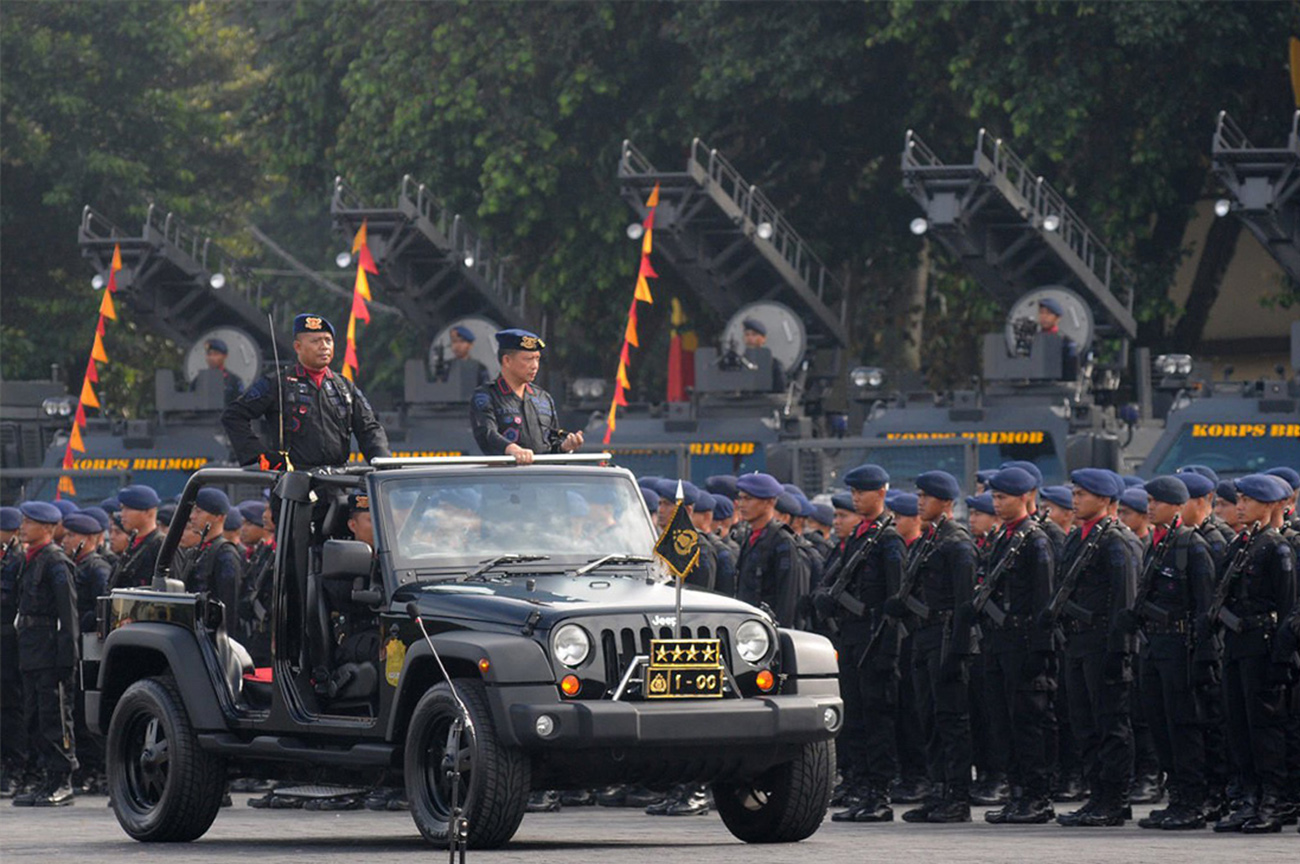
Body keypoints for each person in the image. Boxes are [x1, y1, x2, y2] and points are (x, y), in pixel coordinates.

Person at [1120, 476, 1217, 830]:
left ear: (1178, 506)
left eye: (1157, 501)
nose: (1150, 507)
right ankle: (1177, 795)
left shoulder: (1191, 547)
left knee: (1182, 725)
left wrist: (1203, 656)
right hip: (1155, 647)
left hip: (1180, 647)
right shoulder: (1158, 545)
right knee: (1159, 724)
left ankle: (1192, 801)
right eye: (1149, 500)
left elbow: (1206, 606)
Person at [1047, 469, 1136, 827]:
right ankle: (1096, 794)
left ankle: (1114, 799)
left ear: (1105, 500)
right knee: (1084, 724)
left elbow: (1125, 600)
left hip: (1103, 643)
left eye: (1083, 494)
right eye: (1076, 492)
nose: (1076, 498)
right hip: (1078, 641)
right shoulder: (1078, 538)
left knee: (1109, 723)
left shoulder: (1116, 541)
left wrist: (1121, 651)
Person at [1211, 474, 1296, 834]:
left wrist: (1281, 657)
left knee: (1265, 730)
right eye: (1240, 499)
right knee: (1239, 726)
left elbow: (1290, 607)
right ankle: (1250, 797)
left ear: (1273, 505)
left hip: (1262, 648)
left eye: (1248, 500)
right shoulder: (1243, 544)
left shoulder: (1278, 548)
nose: (1240, 505)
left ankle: (1272, 802)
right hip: (1237, 646)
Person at [821, 464, 905, 824]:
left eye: (862, 492)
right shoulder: (861, 536)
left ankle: (879, 794)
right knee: (855, 718)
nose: (856, 497)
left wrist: (889, 649)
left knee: (877, 719)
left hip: (876, 639)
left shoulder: (889, 539)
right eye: (853, 491)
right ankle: (861, 788)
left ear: (881, 493)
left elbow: (896, 599)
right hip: (853, 638)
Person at [977, 467, 1056, 825]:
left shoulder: (1034, 540)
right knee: (1003, 721)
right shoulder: (1005, 536)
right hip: (999, 643)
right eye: (994, 497)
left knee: (1027, 722)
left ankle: (1036, 797)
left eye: (1003, 498)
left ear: (1026, 497)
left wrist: (1041, 650)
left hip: (1023, 643)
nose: (997, 503)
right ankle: (1017, 793)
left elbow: (1044, 599)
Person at [898, 471, 977, 824]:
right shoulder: (931, 540)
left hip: (946, 639)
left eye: (926, 497)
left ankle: (957, 797)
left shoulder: (956, 543)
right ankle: (937, 790)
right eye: (918, 496)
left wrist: (958, 652)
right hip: (925, 637)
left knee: (951, 720)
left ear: (945, 502)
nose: (920, 502)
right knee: (928, 718)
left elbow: (964, 605)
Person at [222, 313, 390, 471]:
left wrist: (383, 463)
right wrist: (260, 457)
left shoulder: (344, 386)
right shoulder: (277, 383)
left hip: (339, 482)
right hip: (292, 486)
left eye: (328, 340)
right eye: (316, 341)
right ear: (298, 346)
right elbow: (234, 416)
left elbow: (369, 429)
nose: (324, 346)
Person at [11, 501, 78, 807]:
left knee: (55, 717)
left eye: (30, 521)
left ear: (48, 528)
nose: (23, 526)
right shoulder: (29, 559)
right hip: (31, 649)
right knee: (34, 717)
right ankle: (45, 780)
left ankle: (62, 780)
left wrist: (68, 657)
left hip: (50, 652)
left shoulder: (55, 562)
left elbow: (69, 615)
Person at [469, 329, 582, 463]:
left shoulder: (543, 398)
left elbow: (552, 445)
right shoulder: (487, 395)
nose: (535, 366)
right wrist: (512, 450)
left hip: (543, 479)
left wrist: (565, 447)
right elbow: (487, 433)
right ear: (507, 360)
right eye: (528, 359)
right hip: (505, 478)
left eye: (537, 359)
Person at [734, 472, 804, 628]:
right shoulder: (750, 537)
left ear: (769, 502)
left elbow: (788, 597)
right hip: (748, 626)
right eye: (741, 498)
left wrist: (779, 633)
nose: (741, 504)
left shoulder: (782, 541)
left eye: (748, 499)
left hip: (768, 628)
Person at [177, 489, 243, 619]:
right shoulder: (195, 551)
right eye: (193, 510)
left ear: (219, 517)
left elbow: (229, 605)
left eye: (199, 511)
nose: (192, 516)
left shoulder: (225, 554)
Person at [0, 507, 26, 798]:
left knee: (12, 707)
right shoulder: (7, 556)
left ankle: (16, 765)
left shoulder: (18, 560)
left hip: (11, 643)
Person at [109, 485, 164, 590]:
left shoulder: (162, 546)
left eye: (128, 509)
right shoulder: (132, 545)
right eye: (122, 508)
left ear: (148, 512)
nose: (122, 514)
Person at [1037, 297, 1079, 380]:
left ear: (1057, 318)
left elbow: (1070, 370)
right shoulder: (1034, 340)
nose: (1044, 317)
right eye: (1041, 313)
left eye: (1048, 314)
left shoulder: (1066, 342)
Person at [741, 317, 787, 392]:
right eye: (747, 335)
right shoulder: (740, 362)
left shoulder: (774, 364)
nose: (750, 338)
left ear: (763, 339)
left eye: (754, 335)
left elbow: (780, 389)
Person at [200, 338, 244, 405]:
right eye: (209, 354)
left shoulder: (234, 380)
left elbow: (239, 404)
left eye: (216, 354)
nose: (211, 358)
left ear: (224, 356)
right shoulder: (199, 380)